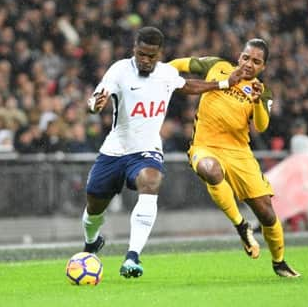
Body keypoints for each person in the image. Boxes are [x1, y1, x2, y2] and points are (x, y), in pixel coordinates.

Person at [81, 26, 243, 278]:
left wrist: (223, 83)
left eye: (151, 56)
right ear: (134, 48)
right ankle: (92, 242)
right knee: (94, 206)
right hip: (115, 150)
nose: (145, 60)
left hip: (146, 150)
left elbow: (187, 86)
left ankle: (132, 257)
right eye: (141, 54)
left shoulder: (167, 73)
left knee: (151, 180)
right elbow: (97, 97)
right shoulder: (120, 70)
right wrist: (94, 106)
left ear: (159, 54)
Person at [169, 38, 300, 277]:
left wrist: (260, 100)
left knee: (267, 213)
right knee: (210, 170)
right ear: (239, 56)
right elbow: (181, 63)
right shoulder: (216, 66)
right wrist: (162, 73)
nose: (249, 64)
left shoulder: (263, 91)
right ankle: (241, 226)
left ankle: (279, 262)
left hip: (240, 154)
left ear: (263, 67)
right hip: (205, 146)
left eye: (256, 61)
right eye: (246, 57)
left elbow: (261, 126)